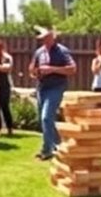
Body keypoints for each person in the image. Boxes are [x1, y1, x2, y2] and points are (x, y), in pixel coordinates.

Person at [28, 26, 76, 160]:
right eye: (42, 39)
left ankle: (47, 150)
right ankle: (59, 143)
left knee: (46, 117)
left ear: (52, 37)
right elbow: (32, 69)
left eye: (47, 38)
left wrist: (52, 69)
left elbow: (72, 69)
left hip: (56, 87)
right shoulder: (39, 52)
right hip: (42, 87)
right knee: (45, 120)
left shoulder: (62, 51)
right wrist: (34, 72)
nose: (45, 40)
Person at [0, 40, 15, 136]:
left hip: (5, 84)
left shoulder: (7, 57)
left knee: (5, 106)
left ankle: (10, 128)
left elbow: (6, 69)